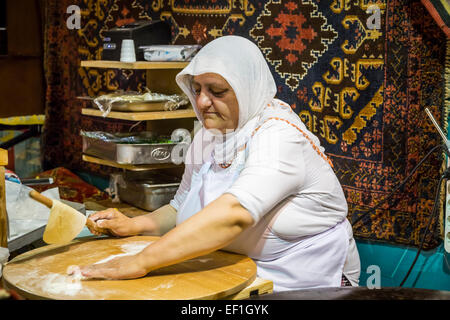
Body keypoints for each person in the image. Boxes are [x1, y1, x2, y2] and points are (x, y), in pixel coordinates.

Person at [73, 35, 361, 291]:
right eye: (197, 89)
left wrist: (141, 261)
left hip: (307, 283)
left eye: (217, 91)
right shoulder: (210, 136)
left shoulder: (280, 137)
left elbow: (234, 214)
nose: (202, 102)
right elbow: (180, 208)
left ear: (247, 87)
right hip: (240, 273)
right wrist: (136, 225)